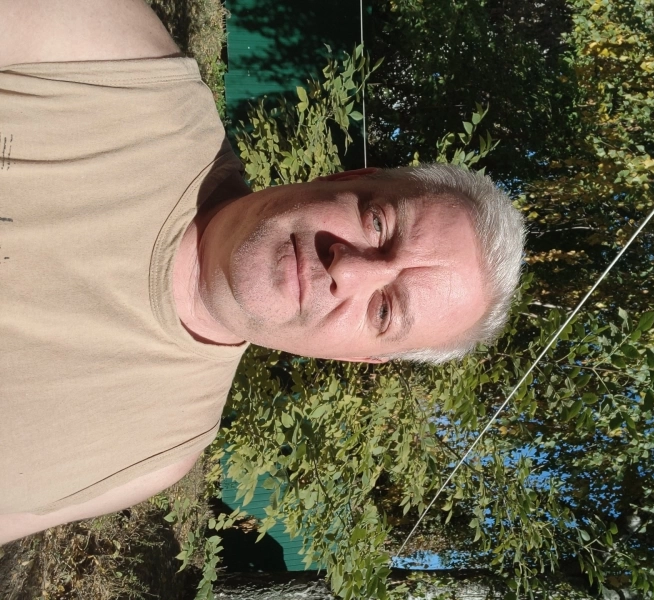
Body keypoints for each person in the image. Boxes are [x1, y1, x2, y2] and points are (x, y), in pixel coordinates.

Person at [0, 0, 525, 544]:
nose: (348, 269)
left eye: (384, 310)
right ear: (347, 177)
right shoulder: (114, 69)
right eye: (377, 224)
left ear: (356, 356)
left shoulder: (150, 457)